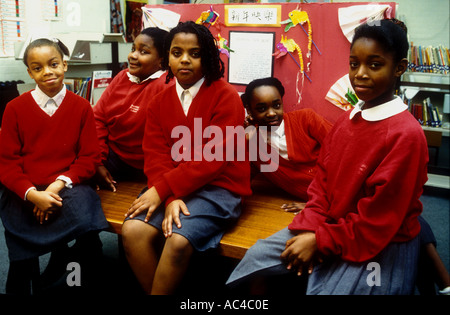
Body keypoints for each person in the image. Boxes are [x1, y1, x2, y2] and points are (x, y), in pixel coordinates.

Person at [226, 19, 429, 295]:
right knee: (254, 259)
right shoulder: (349, 120)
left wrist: (319, 240)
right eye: (354, 64)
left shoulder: (406, 135)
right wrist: (312, 222)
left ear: (399, 68)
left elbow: (377, 221)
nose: (360, 74)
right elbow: (322, 179)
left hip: (379, 239)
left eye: (375, 64)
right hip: (330, 224)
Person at [121, 21, 251, 294]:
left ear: (209, 57)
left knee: (177, 240)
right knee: (132, 232)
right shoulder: (159, 100)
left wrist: (166, 190)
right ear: (166, 56)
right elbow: (155, 154)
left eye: (195, 53)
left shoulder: (226, 96)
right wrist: (169, 196)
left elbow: (214, 159)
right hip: (171, 186)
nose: (185, 60)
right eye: (177, 52)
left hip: (218, 187)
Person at [0, 38, 108, 294]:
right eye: (37, 68)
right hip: (25, 188)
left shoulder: (82, 107)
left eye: (54, 64)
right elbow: (7, 164)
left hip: (67, 184)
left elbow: (89, 158)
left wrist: (56, 186)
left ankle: (74, 266)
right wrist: (34, 195)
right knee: (20, 247)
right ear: (29, 72)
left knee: (86, 215)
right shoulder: (14, 108)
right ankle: (27, 277)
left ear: (65, 65)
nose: (47, 72)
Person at [93, 27, 171, 192]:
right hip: (112, 156)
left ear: (162, 60)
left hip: (147, 166)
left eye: (143, 52)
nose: (133, 56)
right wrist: (98, 162)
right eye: (133, 49)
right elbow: (98, 117)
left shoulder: (166, 85)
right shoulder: (122, 76)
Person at [241, 77, 332, 211]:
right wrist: (243, 141)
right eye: (261, 108)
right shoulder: (253, 144)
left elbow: (346, 153)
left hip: (342, 197)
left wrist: (317, 205)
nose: (271, 113)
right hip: (313, 206)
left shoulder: (306, 119)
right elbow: (240, 179)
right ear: (249, 110)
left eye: (276, 105)